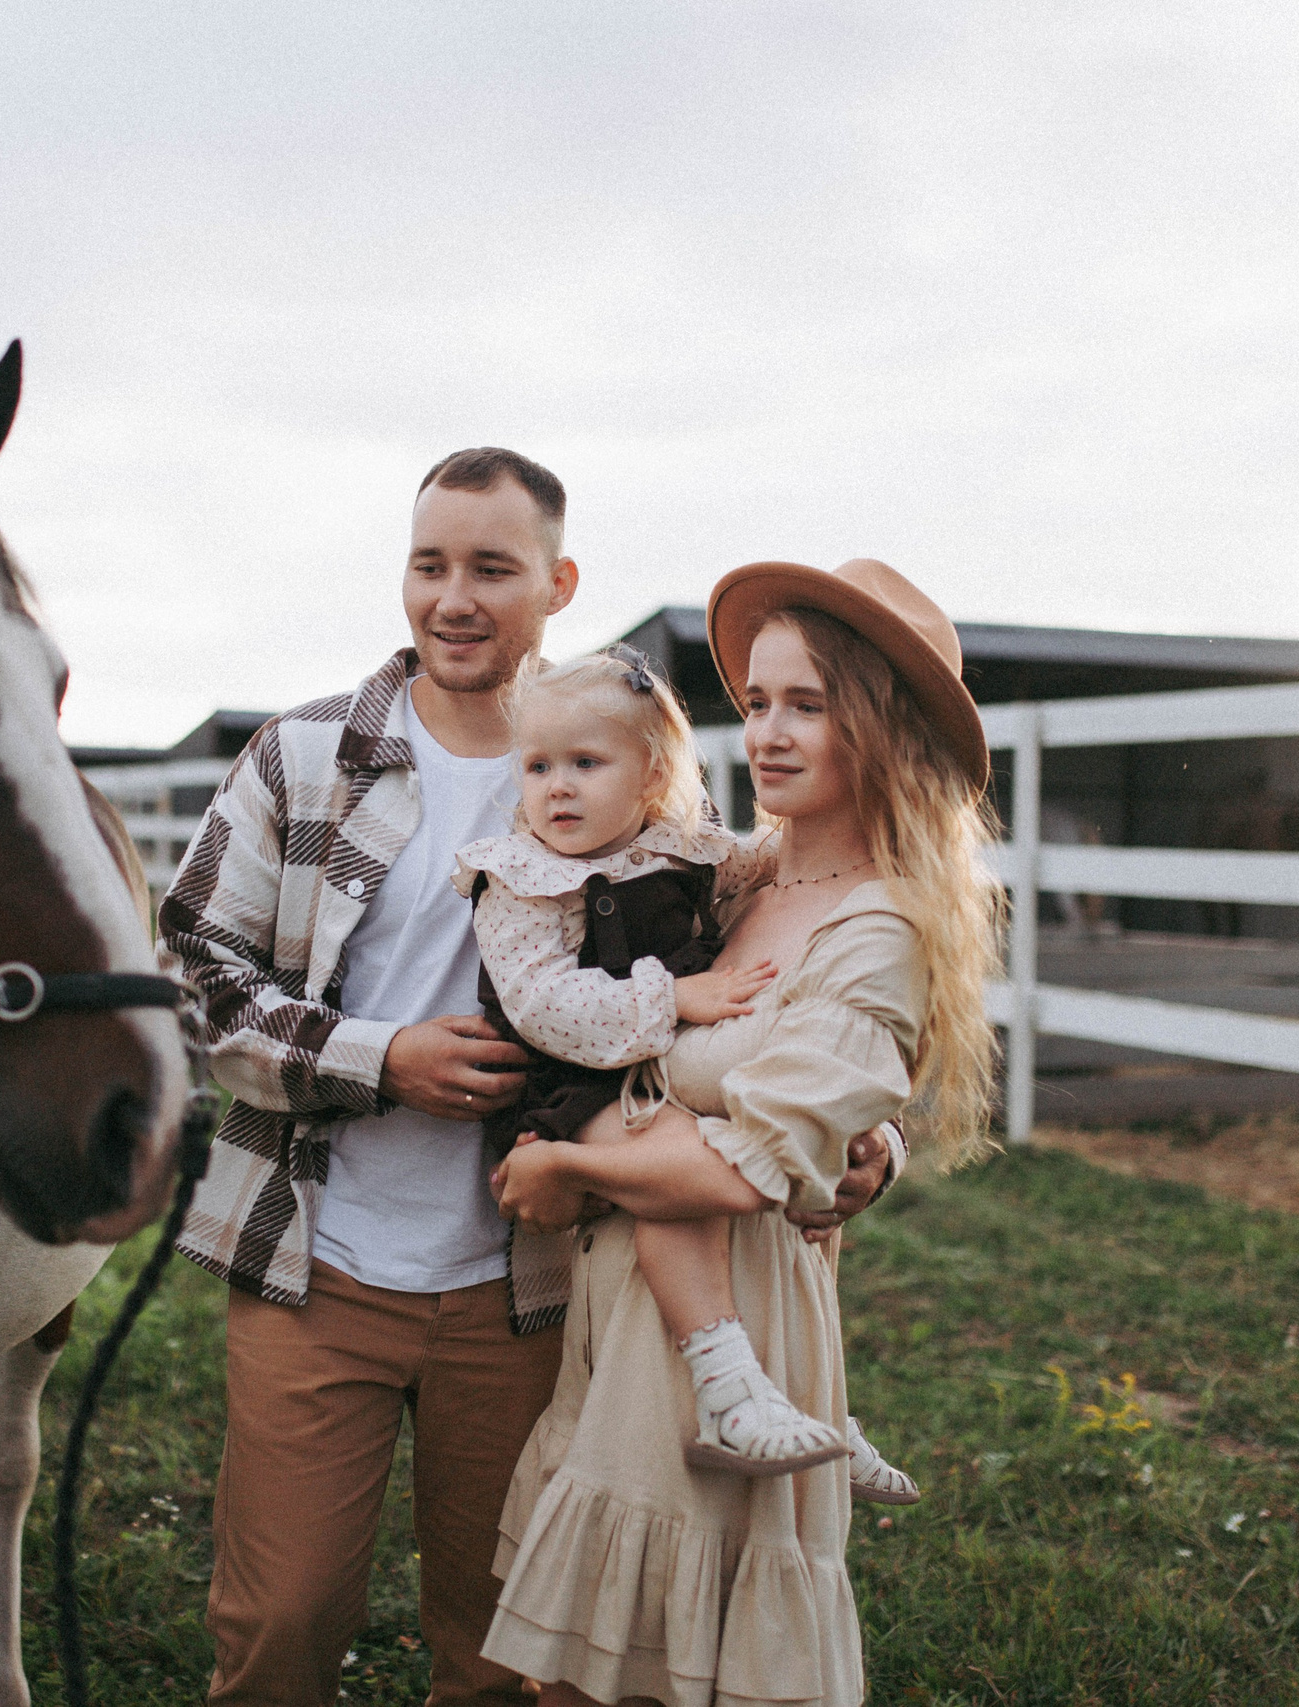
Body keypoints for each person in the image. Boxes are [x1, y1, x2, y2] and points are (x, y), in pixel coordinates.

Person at [160, 455, 901, 1707]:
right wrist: (378, 1058)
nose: (452, 597)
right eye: (428, 564)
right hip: (320, 1262)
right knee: (281, 1621)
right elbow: (191, 969)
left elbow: (770, 982)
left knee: (506, 1639)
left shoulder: (643, 778)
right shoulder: (302, 760)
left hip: (535, 1289)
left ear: (556, 584)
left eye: (491, 569)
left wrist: (856, 1135)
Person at [480, 558, 1006, 1707]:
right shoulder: (746, 878)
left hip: (738, 1322)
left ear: (882, 727)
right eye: (757, 701)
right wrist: (868, 1144)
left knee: (668, 1673)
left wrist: (567, 1167)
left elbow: (743, 1162)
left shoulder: (880, 926)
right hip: (630, 1310)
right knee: (569, 1676)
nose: (765, 733)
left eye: (806, 705)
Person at [455, 647, 921, 1497]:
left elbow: (771, 870)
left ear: (651, 776)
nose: (556, 787)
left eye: (586, 764)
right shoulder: (519, 878)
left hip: (639, 1078)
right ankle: (727, 1381)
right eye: (536, 766)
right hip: (570, 1086)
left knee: (768, 1190)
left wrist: (881, 1133)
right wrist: (675, 997)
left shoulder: (677, 851)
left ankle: (823, 1398)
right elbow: (544, 1008)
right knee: (673, 1159)